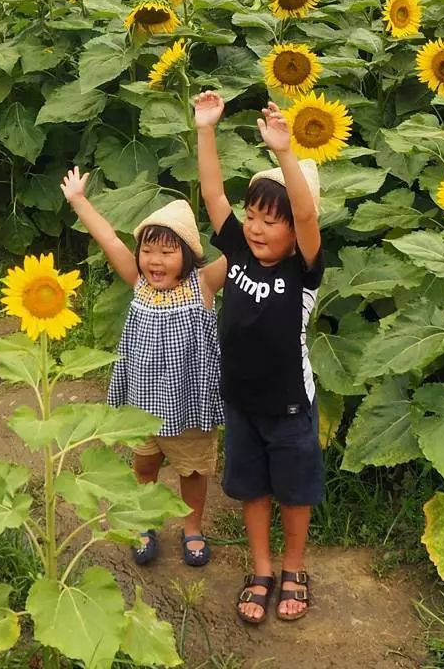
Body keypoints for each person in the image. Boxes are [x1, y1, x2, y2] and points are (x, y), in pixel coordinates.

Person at [195, 91, 325, 625]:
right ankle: (262, 568)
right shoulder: (240, 252)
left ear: (295, 234)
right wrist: (206, 129)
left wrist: (285, 154)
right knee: (250, 489)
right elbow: (211, 194)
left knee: (293, 494)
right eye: (252, 216)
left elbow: (307, 211)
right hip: (242, 404)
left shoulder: (304, 271)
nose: (255, 227)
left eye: (271, 221)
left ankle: (294, 567)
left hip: (290, 407)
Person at [60, 167, 227, 567]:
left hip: (189, 403)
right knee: (144, 464)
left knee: (192, 470)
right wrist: (79, 200)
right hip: (144, 404)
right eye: (149, 250)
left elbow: (239, 251)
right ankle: (143, 521)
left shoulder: (203, 283)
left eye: (168, 252)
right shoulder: (137, 280)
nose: (155, 260)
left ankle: (192, 528)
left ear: (188, 255)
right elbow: (107, 239)